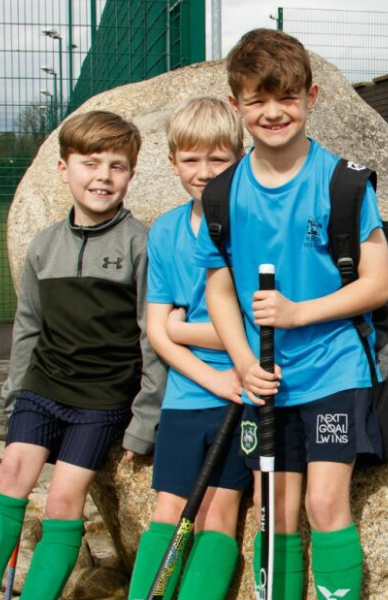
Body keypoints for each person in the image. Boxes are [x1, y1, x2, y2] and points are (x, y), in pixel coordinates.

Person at [194, 28, 388, 600]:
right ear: (236, 106)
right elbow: (220, 290)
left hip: (334, 371)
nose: (273, 113)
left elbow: (377, 284)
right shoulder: (223, 192)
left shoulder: (343, 183)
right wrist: (240, 361)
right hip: (266, 377)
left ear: (312, 96)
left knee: (325, 502)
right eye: (257, 101)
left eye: (286, 98)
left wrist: (298, 312)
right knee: (273, 508)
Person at [0, 110, 165, 600]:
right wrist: (16, 392)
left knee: (63, 499)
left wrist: (145, 418)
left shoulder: (140, 244)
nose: (102, 176)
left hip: (102, 398)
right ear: (63, 169)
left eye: (117, 165)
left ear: (132, 174)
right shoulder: (44, 246)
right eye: (90, 162)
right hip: (44, 386)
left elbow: (151, 336)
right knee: (11, 475)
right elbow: (28, 326)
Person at [126, 97, 247, 600]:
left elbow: (244, 332)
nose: (203, 172)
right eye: (191, 160)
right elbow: (155, 329)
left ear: (239, 158)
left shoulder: (250, 224)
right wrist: (207, 369)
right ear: (172, 162)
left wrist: (182, 329)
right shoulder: (167, 230)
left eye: (217, 160)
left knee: (220, 512)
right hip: (186, 395)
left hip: (244, 391)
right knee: (168, 512)